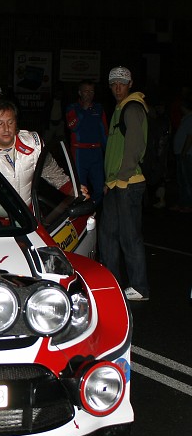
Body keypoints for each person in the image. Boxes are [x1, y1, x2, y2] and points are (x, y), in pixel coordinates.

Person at [99, 66, 150, 302]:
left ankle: (140, 287)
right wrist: (109, 181)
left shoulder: (132, 108)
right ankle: (111, 281)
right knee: (107, 235)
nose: (117, 87)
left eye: (122, 83)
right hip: (115, 183)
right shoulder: (120, 108)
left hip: (128, 182)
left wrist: (122, 178)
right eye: (114, 83)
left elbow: (135, 147)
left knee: (130, 237)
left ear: (130, 84)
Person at [65, 80, 108, 206]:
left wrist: (107, 151)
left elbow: (104, 131)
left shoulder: (99, 108)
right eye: (86, 91)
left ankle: (92, 209)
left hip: (96, 153)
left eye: (91, 91)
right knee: (80, 188)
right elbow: (72, 126)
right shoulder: (72, 108)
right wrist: (83, 110)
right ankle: (81, 212)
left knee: (100, 188)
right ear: (80, 93)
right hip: (80, 152)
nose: (89, 94)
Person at [171, 94, 192, 213]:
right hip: (181, 153)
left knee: (186, 180)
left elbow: (190, 136)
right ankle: (182, 203)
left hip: (186, 154)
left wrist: (184, 152)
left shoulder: (190, 118)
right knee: (181, 180)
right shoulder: (186, 118)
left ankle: (188, 204)